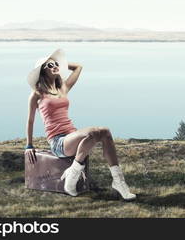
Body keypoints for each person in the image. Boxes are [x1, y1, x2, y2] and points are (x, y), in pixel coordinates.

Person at [25, 48, 136, 200]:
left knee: (105, 134)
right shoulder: (37, 94)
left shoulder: (62, 88)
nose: (55, 66)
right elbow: (30, 120)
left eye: (55, 63)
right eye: (49, 66)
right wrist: (29, 145)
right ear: (42, 72)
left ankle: (119, 182)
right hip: (59, 142)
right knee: (101, 130)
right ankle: (73, 175)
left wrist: (60, 64)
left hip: (73, 136)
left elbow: (78, 67)